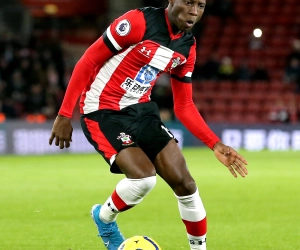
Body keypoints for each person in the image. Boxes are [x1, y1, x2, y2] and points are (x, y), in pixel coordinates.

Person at [49, 1, 249, 249]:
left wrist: (215, 144)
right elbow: (88, 60)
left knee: (186, 185)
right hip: (102, 110)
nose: (194, 11)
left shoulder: (187, 46)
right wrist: (64, 114)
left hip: (142, 110)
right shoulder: (137, 22)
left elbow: (184, 105)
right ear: (172, 1)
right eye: (188, 2)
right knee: (144, 179)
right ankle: (104, 218)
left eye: (201, 5)